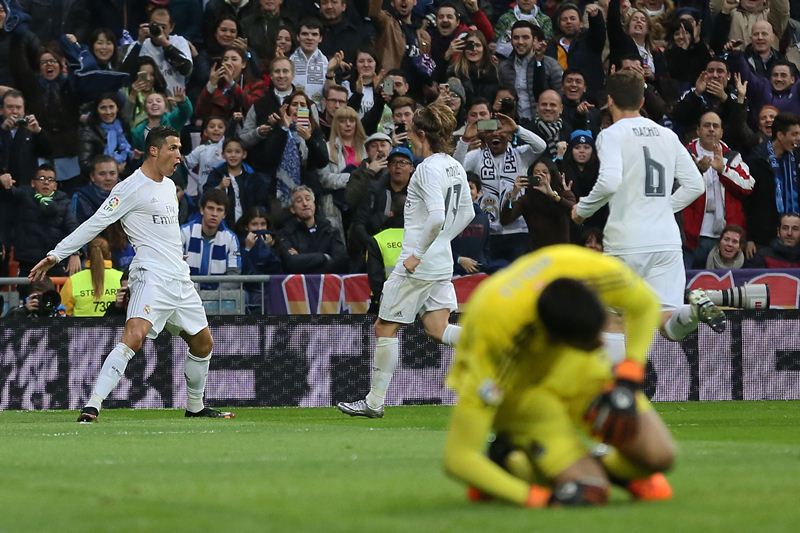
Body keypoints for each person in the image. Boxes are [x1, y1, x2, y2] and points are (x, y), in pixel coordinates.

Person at [28, 126, 234, 422]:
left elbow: (165, 233)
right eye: (174, 148)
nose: (179, 155)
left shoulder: (168, 187)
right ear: (154, 150)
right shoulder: (129, 188)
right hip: (151, 275)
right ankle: (92, 406)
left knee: (203, 344)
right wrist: (56, 254)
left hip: (179, 278)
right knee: (134, 336)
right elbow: (95, 223)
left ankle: (195, 407)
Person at [444, 245, 675, 507]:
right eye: (590, 342)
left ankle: (568, 465)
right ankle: (509, 461)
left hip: (581, 371)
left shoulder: (586, 269)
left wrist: (628, 375)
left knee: (660, 456)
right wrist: (538, 499)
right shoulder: (495, 337)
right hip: (524, 393)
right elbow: (458, 457)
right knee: (589, 493)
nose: (600, 346)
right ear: (554, 340)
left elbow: (645, 304)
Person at [337, 102, 474, 418]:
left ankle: (373, 403)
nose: (408, 139)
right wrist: (441, 245)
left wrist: (419, 255)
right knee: (438, 328)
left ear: (423, 133)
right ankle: (490, 343)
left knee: (385, 327)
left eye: (412, 133)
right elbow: (466, 213)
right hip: (441, 262)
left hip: (419, 261)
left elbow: (437, 216)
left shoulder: (426, 168)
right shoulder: (452, 165)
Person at [571, 71, 724, 354]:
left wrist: (582, 209)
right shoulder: (667, 135)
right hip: (666, 240)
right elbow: (694, 184)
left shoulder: (610, 135)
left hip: (627, 241)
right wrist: (664, 207)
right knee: (668, 322)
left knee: (616, 317)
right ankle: (693, 312)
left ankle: (623, 394)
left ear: (609, 101)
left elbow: (609, 181)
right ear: (642, 100)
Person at [682, 111, 754, 268]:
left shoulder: (733, 156)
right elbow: (673, 188)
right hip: (690, 237)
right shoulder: (684, 154)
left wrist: (723, 170)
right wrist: (698, 171)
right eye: (706, 125)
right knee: (686, 286)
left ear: (721, 131)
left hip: (725, 237)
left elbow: (748, 186)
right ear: (698, 130)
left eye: (715, 126)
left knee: (723, 288)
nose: (711, 129)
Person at [0, 164, 80, 278]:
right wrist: (3, 181)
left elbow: (74, 229)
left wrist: (75, 252)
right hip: (28, 263)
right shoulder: (23, 196)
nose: (46, 182)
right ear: (33, 183)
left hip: (55, 262)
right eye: (41, 179)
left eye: (50, 179)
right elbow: (8, 192)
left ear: (55, 185)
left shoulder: (64, 202)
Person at [500, 156, 576, 250]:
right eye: (536, 173)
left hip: (561, 253)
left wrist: (553, 195)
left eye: (545, 172)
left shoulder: (564, 194)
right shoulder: (526, 200)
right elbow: (505, 220)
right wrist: (513, 195)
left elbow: (575, 211)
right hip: (539, 254)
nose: (540, 176)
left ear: (552, 175)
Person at [277, 185, 348, 274]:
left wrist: (302, 258)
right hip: (298, 285)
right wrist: (324, 257)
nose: (305, 204)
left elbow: (341, 262)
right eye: (299, 201)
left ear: (314, 204)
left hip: (327, 284)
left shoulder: (330, 230)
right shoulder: (285, 233)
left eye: (308, 199)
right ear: (292, 209)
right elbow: (292, 263)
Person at [180, 188, 241, 280]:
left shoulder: (231, 239)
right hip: (188, 291)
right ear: (201, 210)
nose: (214, 214)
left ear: (224, 215)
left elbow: (234, 275)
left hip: (220, 293)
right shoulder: (184, 232)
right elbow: (175, 268)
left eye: (219, 210)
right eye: (210, 208)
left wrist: (214, 294)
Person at [59, 237, 123, 317]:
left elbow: (62, 311)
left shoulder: (73, 280)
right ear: (109, 254)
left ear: (87, 255)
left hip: (81, 329)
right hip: (115, 328)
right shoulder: (122, 278)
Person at [72, 155, 120, 224]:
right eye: (102, 174)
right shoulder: (82, 196)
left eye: (112, 173)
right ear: (92, 176)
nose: (108, 178)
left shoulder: (128, 192)